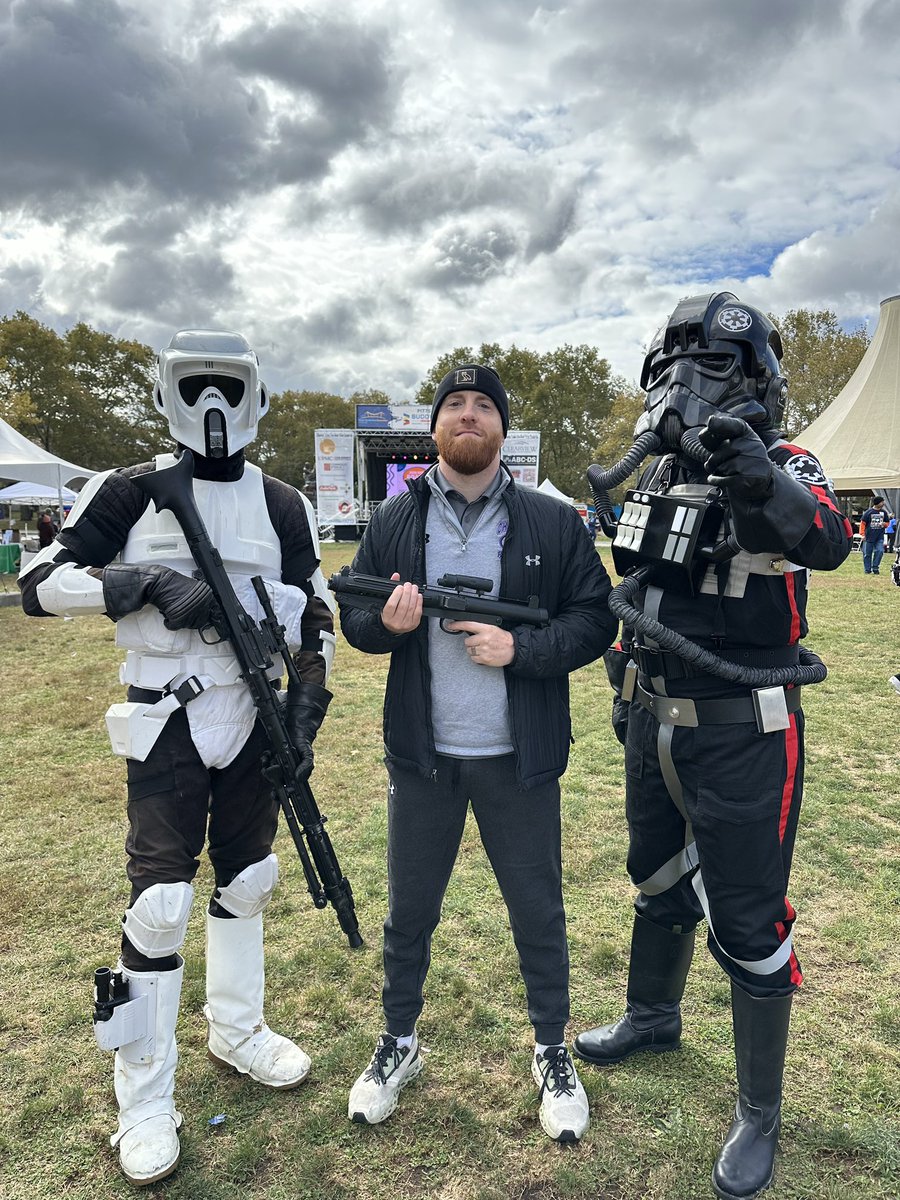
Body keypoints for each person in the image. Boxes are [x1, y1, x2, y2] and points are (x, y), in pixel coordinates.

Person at [19, 330, 336, 1186]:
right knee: (159, 901)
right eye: (193, 384)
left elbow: (314, 611)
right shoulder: (128, 492)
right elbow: (39, 581)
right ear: (165, 393)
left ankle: (236, 1031)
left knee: (249, 880)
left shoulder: (283, 505)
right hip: (165, 717)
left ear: (256, 395)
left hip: (255, 717)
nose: (211, 404)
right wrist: (144, 584)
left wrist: (306, 709)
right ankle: (145, 1100)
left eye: (225, 385)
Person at [573, 294, 852, 1199]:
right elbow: (641, 588)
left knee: (745, 912)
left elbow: (825, 539)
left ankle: (759, 1114)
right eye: (675, 364)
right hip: (652, 717)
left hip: (744, 734)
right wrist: (624, 681)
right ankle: (653, 1014)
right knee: (654, 876)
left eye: (715, 364)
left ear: (760, 378)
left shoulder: (787, 461)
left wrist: (754, 475)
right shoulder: (653, 479)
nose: (688, 383)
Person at [337, 363, 616, 1143]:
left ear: (501, 429)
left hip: (517, 758)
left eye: (482, 406)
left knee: (538, 913)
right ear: (435, 428)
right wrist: (387, 626)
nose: (467, 416)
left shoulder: (551, 522)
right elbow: (355, 616)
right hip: (422, 758)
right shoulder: (395, 519)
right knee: (409, 912)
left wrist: (520, 648)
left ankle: (551, 1051)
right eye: (453, 405)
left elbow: (595, 621)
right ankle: (399, 1042)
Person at [859, 496, 889, 574]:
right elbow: (862, 524)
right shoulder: (868, 513)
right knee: (867, 554)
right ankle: (867, 570)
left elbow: (887, 522)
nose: (883, 503)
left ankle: (875, 567)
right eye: (882, 502)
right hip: (868, 537)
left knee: (880, 551)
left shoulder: (884, 512)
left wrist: (884, 524)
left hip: (879, 537)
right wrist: (862, 534)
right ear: (877, 503)